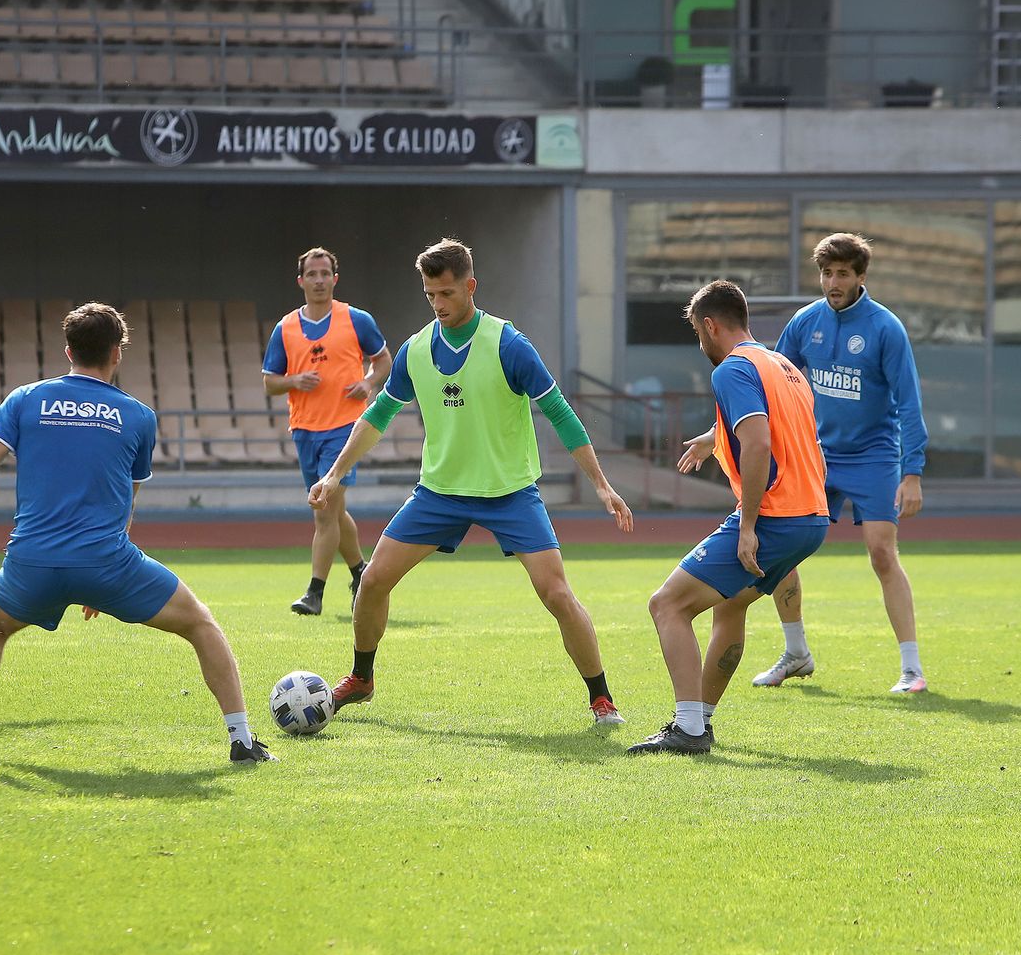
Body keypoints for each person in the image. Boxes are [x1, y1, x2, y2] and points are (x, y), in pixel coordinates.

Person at [308, 238, 635, 726]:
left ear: (471, 286)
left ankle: (601, 698)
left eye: (447, 293)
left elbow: (559, 412)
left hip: (510, 493)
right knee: (372, 581)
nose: (438, 304)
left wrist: (602, 485)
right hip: (439, 494)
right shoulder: (416, 350)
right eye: (430, 295)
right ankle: (362, 678)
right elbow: (377, 416)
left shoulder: (509, 344)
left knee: (557, 595)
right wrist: (334, 475)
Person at [0, 302, 275, 764]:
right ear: (117, 352)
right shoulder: (138, 416)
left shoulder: (24, 399)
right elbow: (127, 499)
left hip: (32, 562)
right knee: (200, 624)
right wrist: (99, 581)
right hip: (107, 563)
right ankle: (242, 741)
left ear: (68, 350)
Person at [682, 232, 931, 694]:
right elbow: (769, 389)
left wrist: (911, 470)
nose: (833, 282)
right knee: (785, 542)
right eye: (826, 273)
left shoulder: (886, 328)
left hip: (874, 455)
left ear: (861, 276)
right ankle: (796, 652)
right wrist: (716, 435)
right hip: (814, 453)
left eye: (843, 274)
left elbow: (909, 403)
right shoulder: (805, 322)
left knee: (882, 552)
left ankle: (912, 668)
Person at [631, 280, 829, 755]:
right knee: (731, 605)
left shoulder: (731, 370)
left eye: (697, 333)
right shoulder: (783, 366)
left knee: (667, 605)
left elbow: (758, 443)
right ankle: (701, 720)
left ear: (709, 325)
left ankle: (688, 729)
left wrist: (748, 526)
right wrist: (714, 437)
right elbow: (784, 432)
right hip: (811, 517)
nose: (699, 343)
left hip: (775, 516)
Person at [262, 246, 392, 616]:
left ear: (335, 279)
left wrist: (368, 383)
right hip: (305, 429)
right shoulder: (285, 328)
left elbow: (383, 360)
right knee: (334, 510)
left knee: (323, 509)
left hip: (346, 428)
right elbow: (270, 383)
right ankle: (360, 572)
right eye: (312, 274)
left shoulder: (356, 319)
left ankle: (314, 592)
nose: (319, 280)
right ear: (300, 281)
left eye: (325, 274)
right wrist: (294, 380)